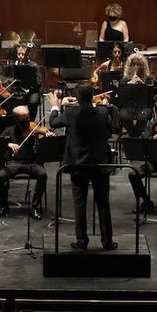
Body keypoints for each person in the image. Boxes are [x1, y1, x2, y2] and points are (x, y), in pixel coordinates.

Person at [47, 83, 118, 250]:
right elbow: (110, 131)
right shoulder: (101, 112)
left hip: (78, 164)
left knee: (80, 204)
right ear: (92, 95)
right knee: (103, 203)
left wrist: (55, 107)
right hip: (100, 163)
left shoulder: (71, 113)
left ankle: (82, 241)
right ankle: (107, 242)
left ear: (77, 98)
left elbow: (53, 123)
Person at [0, 106, 49, 220]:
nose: (27, 121)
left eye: (28, 118)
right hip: (14, 163)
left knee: (42, 174)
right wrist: (8, 144)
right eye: (23, 119)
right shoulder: (9, 130)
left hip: (32, 163)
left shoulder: (34, 129)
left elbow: (44, 137)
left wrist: (47, 136)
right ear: (16, 119)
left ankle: (35, 206)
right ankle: (4, 206)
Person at [118, 51, 155, 137]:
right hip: (128, 107)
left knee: (142, 118)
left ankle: (135, 135)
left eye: (138, 65)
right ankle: (133, 135)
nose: (135, 67)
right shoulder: (125, 79)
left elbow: (150, 95)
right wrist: (129, 85)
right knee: (124, 117)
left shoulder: (147, 79)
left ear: (143, 66)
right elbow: (121, 98)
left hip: (144, 106)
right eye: (133, 65)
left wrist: (142, 84)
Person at [7, 43, 42, 119]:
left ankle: (31, 121)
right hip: (17, 91)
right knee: (9, 100)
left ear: (27, 54)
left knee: (33, 102)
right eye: (18, 54)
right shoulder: (13, 66)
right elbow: (8, 80)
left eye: (23, 54)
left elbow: (39, 82)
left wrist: (29, 88)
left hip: (31, 91)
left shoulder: (34, 65)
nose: (20, 56)